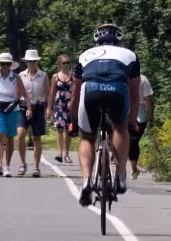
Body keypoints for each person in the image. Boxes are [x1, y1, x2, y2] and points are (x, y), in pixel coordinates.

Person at [70, 23, 140, 206]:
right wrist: (131, 124)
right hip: (117, 91)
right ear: (119, 40)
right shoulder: (130, 55)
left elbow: (75, 94)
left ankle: (86, 181)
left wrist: (73, 122)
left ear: (97, 41)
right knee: (119, 127)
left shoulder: (84, 56)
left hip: (90, 91)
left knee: (87, 137)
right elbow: (134, 96)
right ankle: (121, 176)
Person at [0, 53, 27, 176]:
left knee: (9, 138)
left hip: (11, 109)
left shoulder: (16, 77)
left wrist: (26, 106)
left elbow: (22, 92)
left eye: (7, 64)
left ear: (11, 65)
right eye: (2, 64)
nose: (5, 66)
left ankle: (7, 166)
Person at [17, 49, 49, 177]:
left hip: (39, 106)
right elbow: (18, 94)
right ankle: (22, 164)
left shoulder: (43, 75)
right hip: (23, 107)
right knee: (20, 135)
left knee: (36, 138)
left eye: (34, 61)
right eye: (29, 61)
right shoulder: (21, 75)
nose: (32, 64)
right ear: (26, 62)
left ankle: (36, 167)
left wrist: (49, 108)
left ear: (37, 62)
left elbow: (49, 92)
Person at [129, 74, 155, 179]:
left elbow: (149, 100)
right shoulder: (142, 78)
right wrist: (151, 115)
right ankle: (133, 169)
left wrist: (150, 114)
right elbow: (149, 100)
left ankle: (134, 168)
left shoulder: (142, 79)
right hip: (137, 113)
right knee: (133, 141)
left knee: (132, 141)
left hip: (135, 113)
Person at [51, 54, 74, 164]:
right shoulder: (55, 76)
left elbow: (76, 91)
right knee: (59, 128)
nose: (65, 64)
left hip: (70, 104)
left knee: (69, 130)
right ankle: (59, 153)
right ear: (59, 63)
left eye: (67, 62)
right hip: (59, 103)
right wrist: (49, 108)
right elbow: (51, 92)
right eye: (63, 62)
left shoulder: (73, 76)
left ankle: (67, 154)